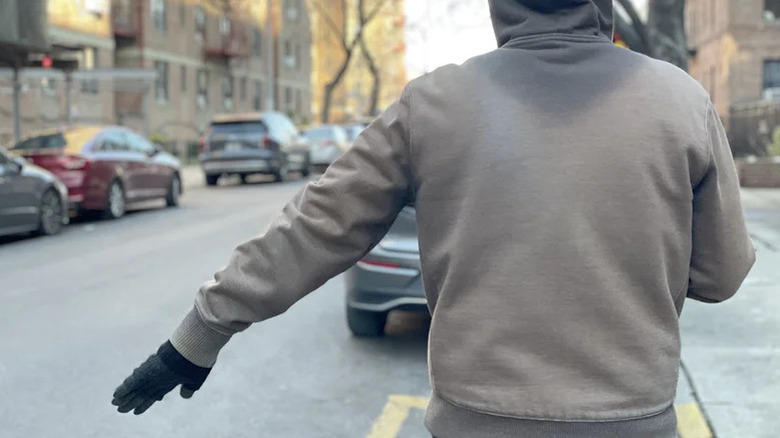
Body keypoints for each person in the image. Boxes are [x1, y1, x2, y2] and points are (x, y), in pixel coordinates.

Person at [112, 1, 756, 437]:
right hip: (631, 418)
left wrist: (197, 339)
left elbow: (315, 227)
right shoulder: (680, 100)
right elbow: (721, 274)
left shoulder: (434, 104)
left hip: (478, 420)